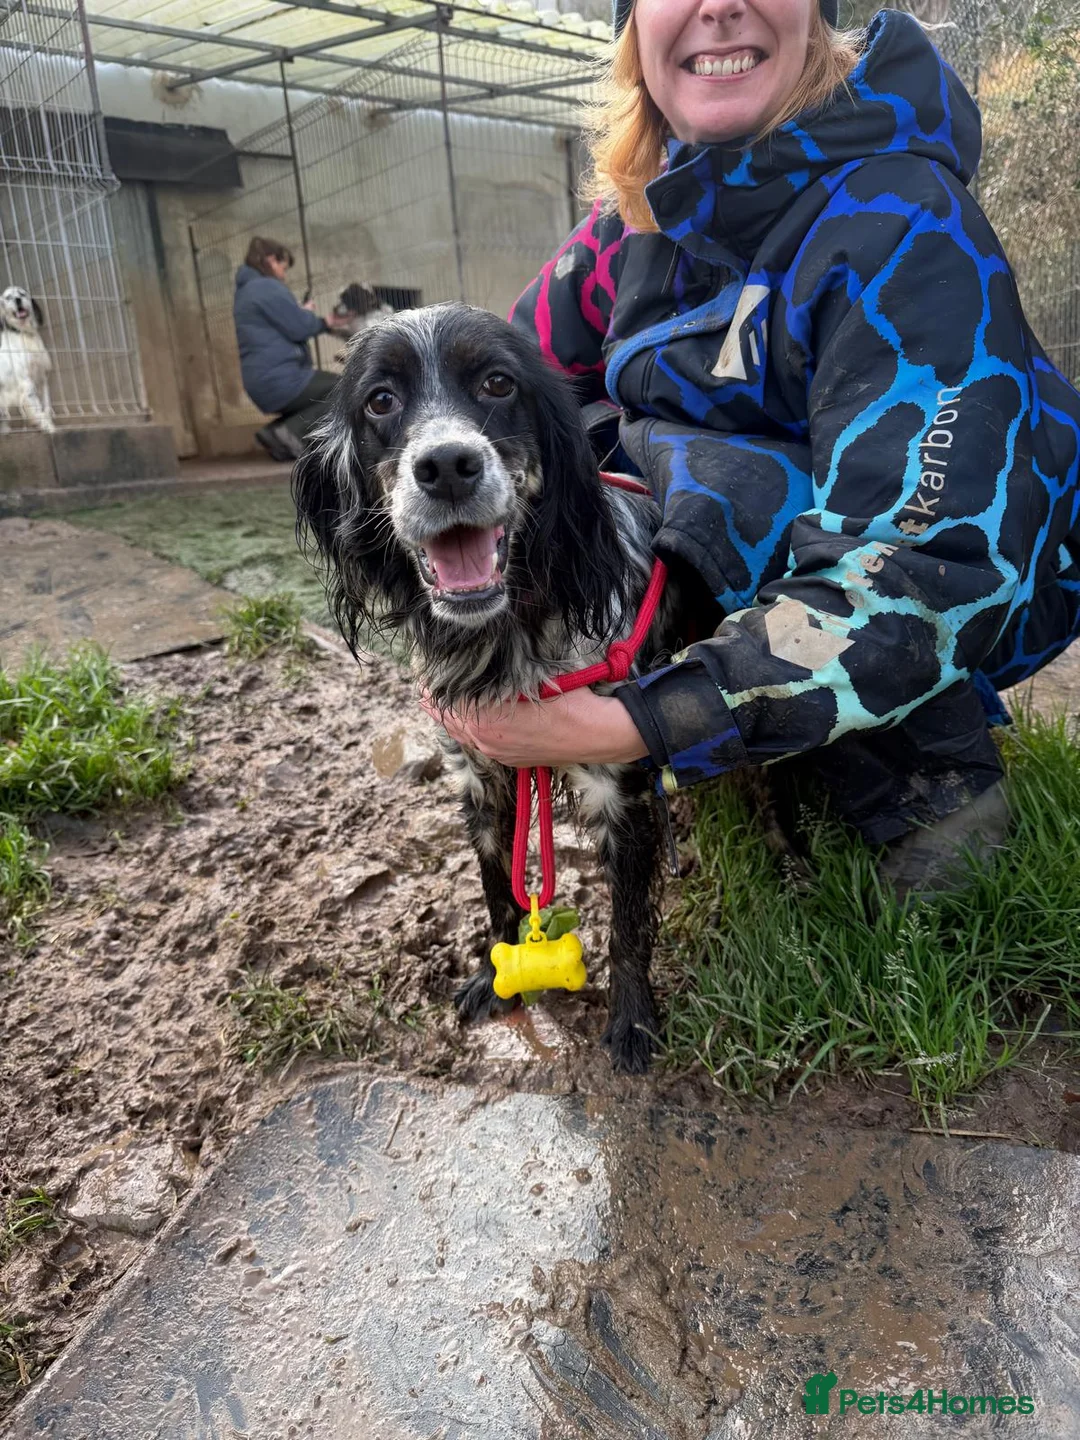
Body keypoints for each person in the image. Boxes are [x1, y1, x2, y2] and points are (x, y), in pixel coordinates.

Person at [426, 0, 1080, 897]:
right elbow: (499, 380)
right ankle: (740, 718)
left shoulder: (905, 224)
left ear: (816, 15)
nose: (718, 5)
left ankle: (938, 781)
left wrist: (623, 726)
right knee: (595, 445)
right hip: (766, 526)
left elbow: (925, 569)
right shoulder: (639, 218)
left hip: (954, 579)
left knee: (716, 481)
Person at [233, 237, 339, 461]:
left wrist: (298, 312)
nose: (284, 274)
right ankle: (289, 434)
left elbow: (283, 324)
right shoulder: (266, 286)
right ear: (271, 260)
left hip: (263, 379)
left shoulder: (247, 291)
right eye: (283, 267)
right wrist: (319, 319)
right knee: (343, 388)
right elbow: (300, 327)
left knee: (318, 393)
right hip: (281, 378)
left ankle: (273, 434)